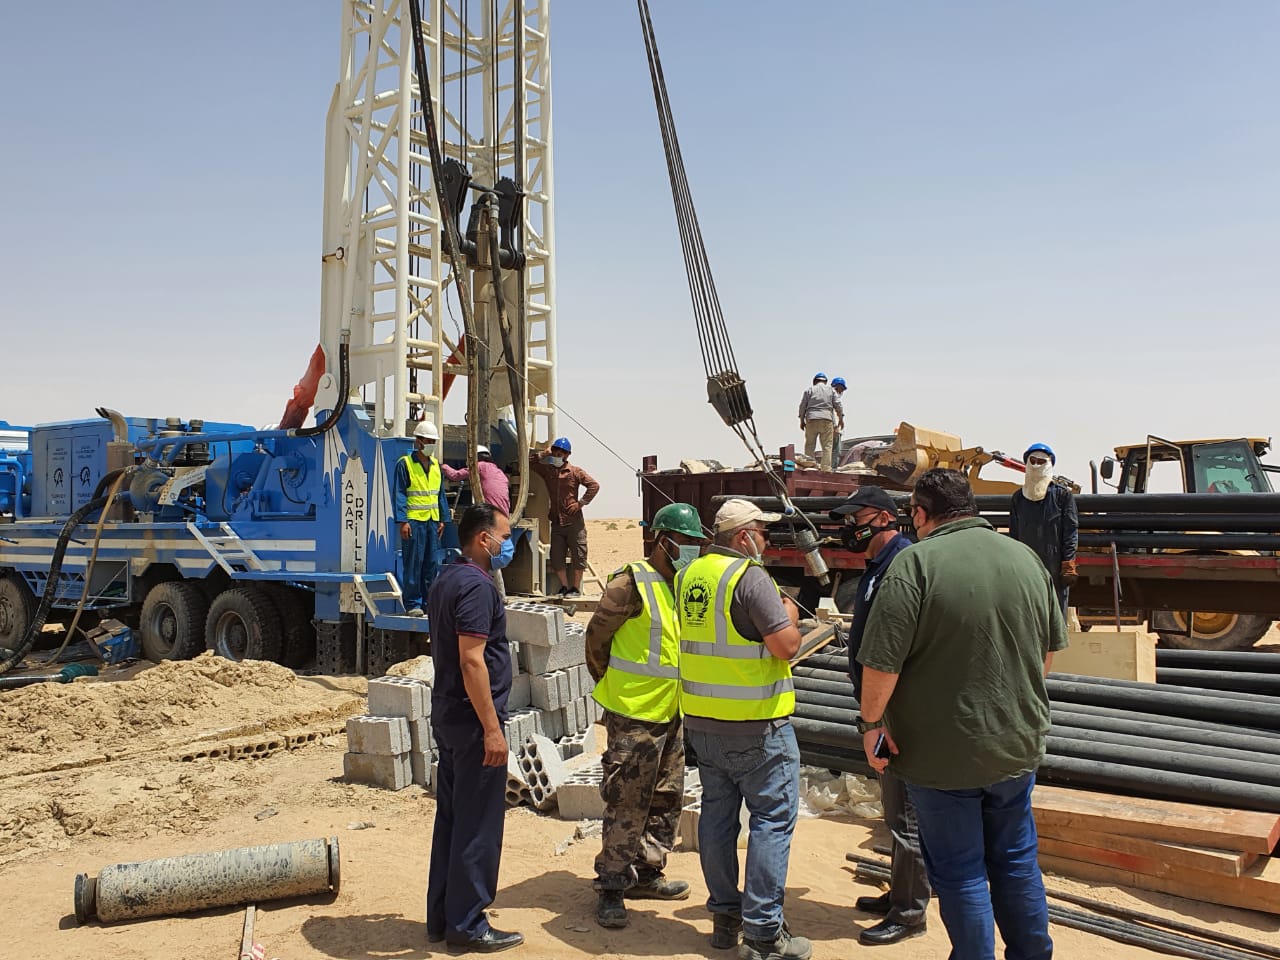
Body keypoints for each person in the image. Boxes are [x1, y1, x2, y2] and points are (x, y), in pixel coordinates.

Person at [856, 469, 1067, 960]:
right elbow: (1047, 651)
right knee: (1016, 860)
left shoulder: (915, 565)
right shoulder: (1026, 558)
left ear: (920, 514)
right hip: (1015, 746)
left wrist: (872, 727)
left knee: (961, 870)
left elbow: (881, 664)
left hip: (940, 755)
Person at [676, 499, 810, 960]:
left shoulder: (690, 574)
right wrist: (789, 615)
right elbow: (786, 646)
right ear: (743, 537)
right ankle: (763, 933)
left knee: (717, 819)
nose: (766, 541)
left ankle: (725, 918)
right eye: (762, 533)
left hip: (702, 724)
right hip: (756, 727)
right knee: (771, 821)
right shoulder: (749, 577)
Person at [585, 502, 709, 929]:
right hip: (634, 715)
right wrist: (613, 686)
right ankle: (611, 885)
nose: (692, 549)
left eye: (696, 542)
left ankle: (648, 871)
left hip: (671, 711)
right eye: (687, 542)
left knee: (666, 797)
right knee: (627, 801)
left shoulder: (683, 584)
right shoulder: (630, 583)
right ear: (664, 541)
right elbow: (596, 640)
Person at [828, 486, 929, 946]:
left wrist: (879, 715)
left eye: (858, 518)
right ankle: (899, 894)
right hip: (883, 708)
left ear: (886, 518)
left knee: (907, 815)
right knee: (894, 808)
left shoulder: (902, 562)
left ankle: (909, 913)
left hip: (898, 711)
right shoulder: (877, 566)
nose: (851, 527)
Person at [426, 503, 523, 953]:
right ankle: (467, 925)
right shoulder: (477, 587)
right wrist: (491, 729)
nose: (508, 544)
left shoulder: (447, 577)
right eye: (504, 536)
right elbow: (471, 660)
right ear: (484, 539)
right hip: (472, 722)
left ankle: (443, 917)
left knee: (452, 819)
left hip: (449, 715)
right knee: (478, 825)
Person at [1009, 442, 1079, 615]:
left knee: (1055, 610)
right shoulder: (1018, 498)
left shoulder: (1062, 495)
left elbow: (1070, 530)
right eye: (1032, 461)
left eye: (1041, 462)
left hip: (1054, 563)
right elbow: (1014, 533)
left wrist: (1068, 562)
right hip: (1026, 563)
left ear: (1049, 464)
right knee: (1027, 610)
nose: (1036, 465)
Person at [528, 437, 599, 596]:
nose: (557, 454)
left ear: (567, 455)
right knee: (556, 557)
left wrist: (580, 504)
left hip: (574, 522)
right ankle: (565, 587)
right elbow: (529, 464)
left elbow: (594, 485)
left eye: (561, 453)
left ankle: (575, 588)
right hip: (557, 521)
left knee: (579, 555)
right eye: (555, 451)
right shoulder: (548, 471)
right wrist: (543, 454)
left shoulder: (575, 472)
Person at [395, 420, 448, 616]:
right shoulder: (405, 464)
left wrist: (442, 519)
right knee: (413, 564)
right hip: (414, 522)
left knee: (431, 564)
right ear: (418, 441)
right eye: (428, 441)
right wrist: (403, 521)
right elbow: (399, 494)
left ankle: (429, 602)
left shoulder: (436, 466)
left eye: (433, 441)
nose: (431, 444)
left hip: (432, 522)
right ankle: (413, 604)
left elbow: (440, 495)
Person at [442, 444, 511, 514]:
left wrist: (442, 466)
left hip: (489, 511)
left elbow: (456, 475)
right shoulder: (499, 471)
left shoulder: (479, 466)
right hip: (504, 512)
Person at [797, 372, 841, 470]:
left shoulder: (809, 390)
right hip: (827, 419)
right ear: (825, 382)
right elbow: (838, 405)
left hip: (811, 419)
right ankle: (826, 468)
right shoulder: (831, 390)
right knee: (827, 446)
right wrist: (841, 420)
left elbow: (802, 406)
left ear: (814, 381)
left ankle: (809, 466)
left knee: (810, 444)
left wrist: (801, 420)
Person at [829, 377, 848, 467]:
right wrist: (835, 426)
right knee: (835, 450)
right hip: (834, 427)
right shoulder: (833, 397)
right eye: (841, 389)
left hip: (834, 427)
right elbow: (832, 412)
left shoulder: (830, 397)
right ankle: (833, 468)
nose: (841, 392)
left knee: (833, 449)